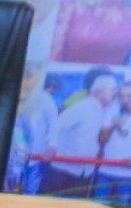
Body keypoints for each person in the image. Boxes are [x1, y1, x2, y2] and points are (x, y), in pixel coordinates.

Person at [42, 66, 120, 196]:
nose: (115, 93)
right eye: (112, 90)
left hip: (83, 172)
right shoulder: (83, 107)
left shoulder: (105, 110)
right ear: (100, 92)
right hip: (62, 171)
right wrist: (52, 144)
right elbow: (58, 123)